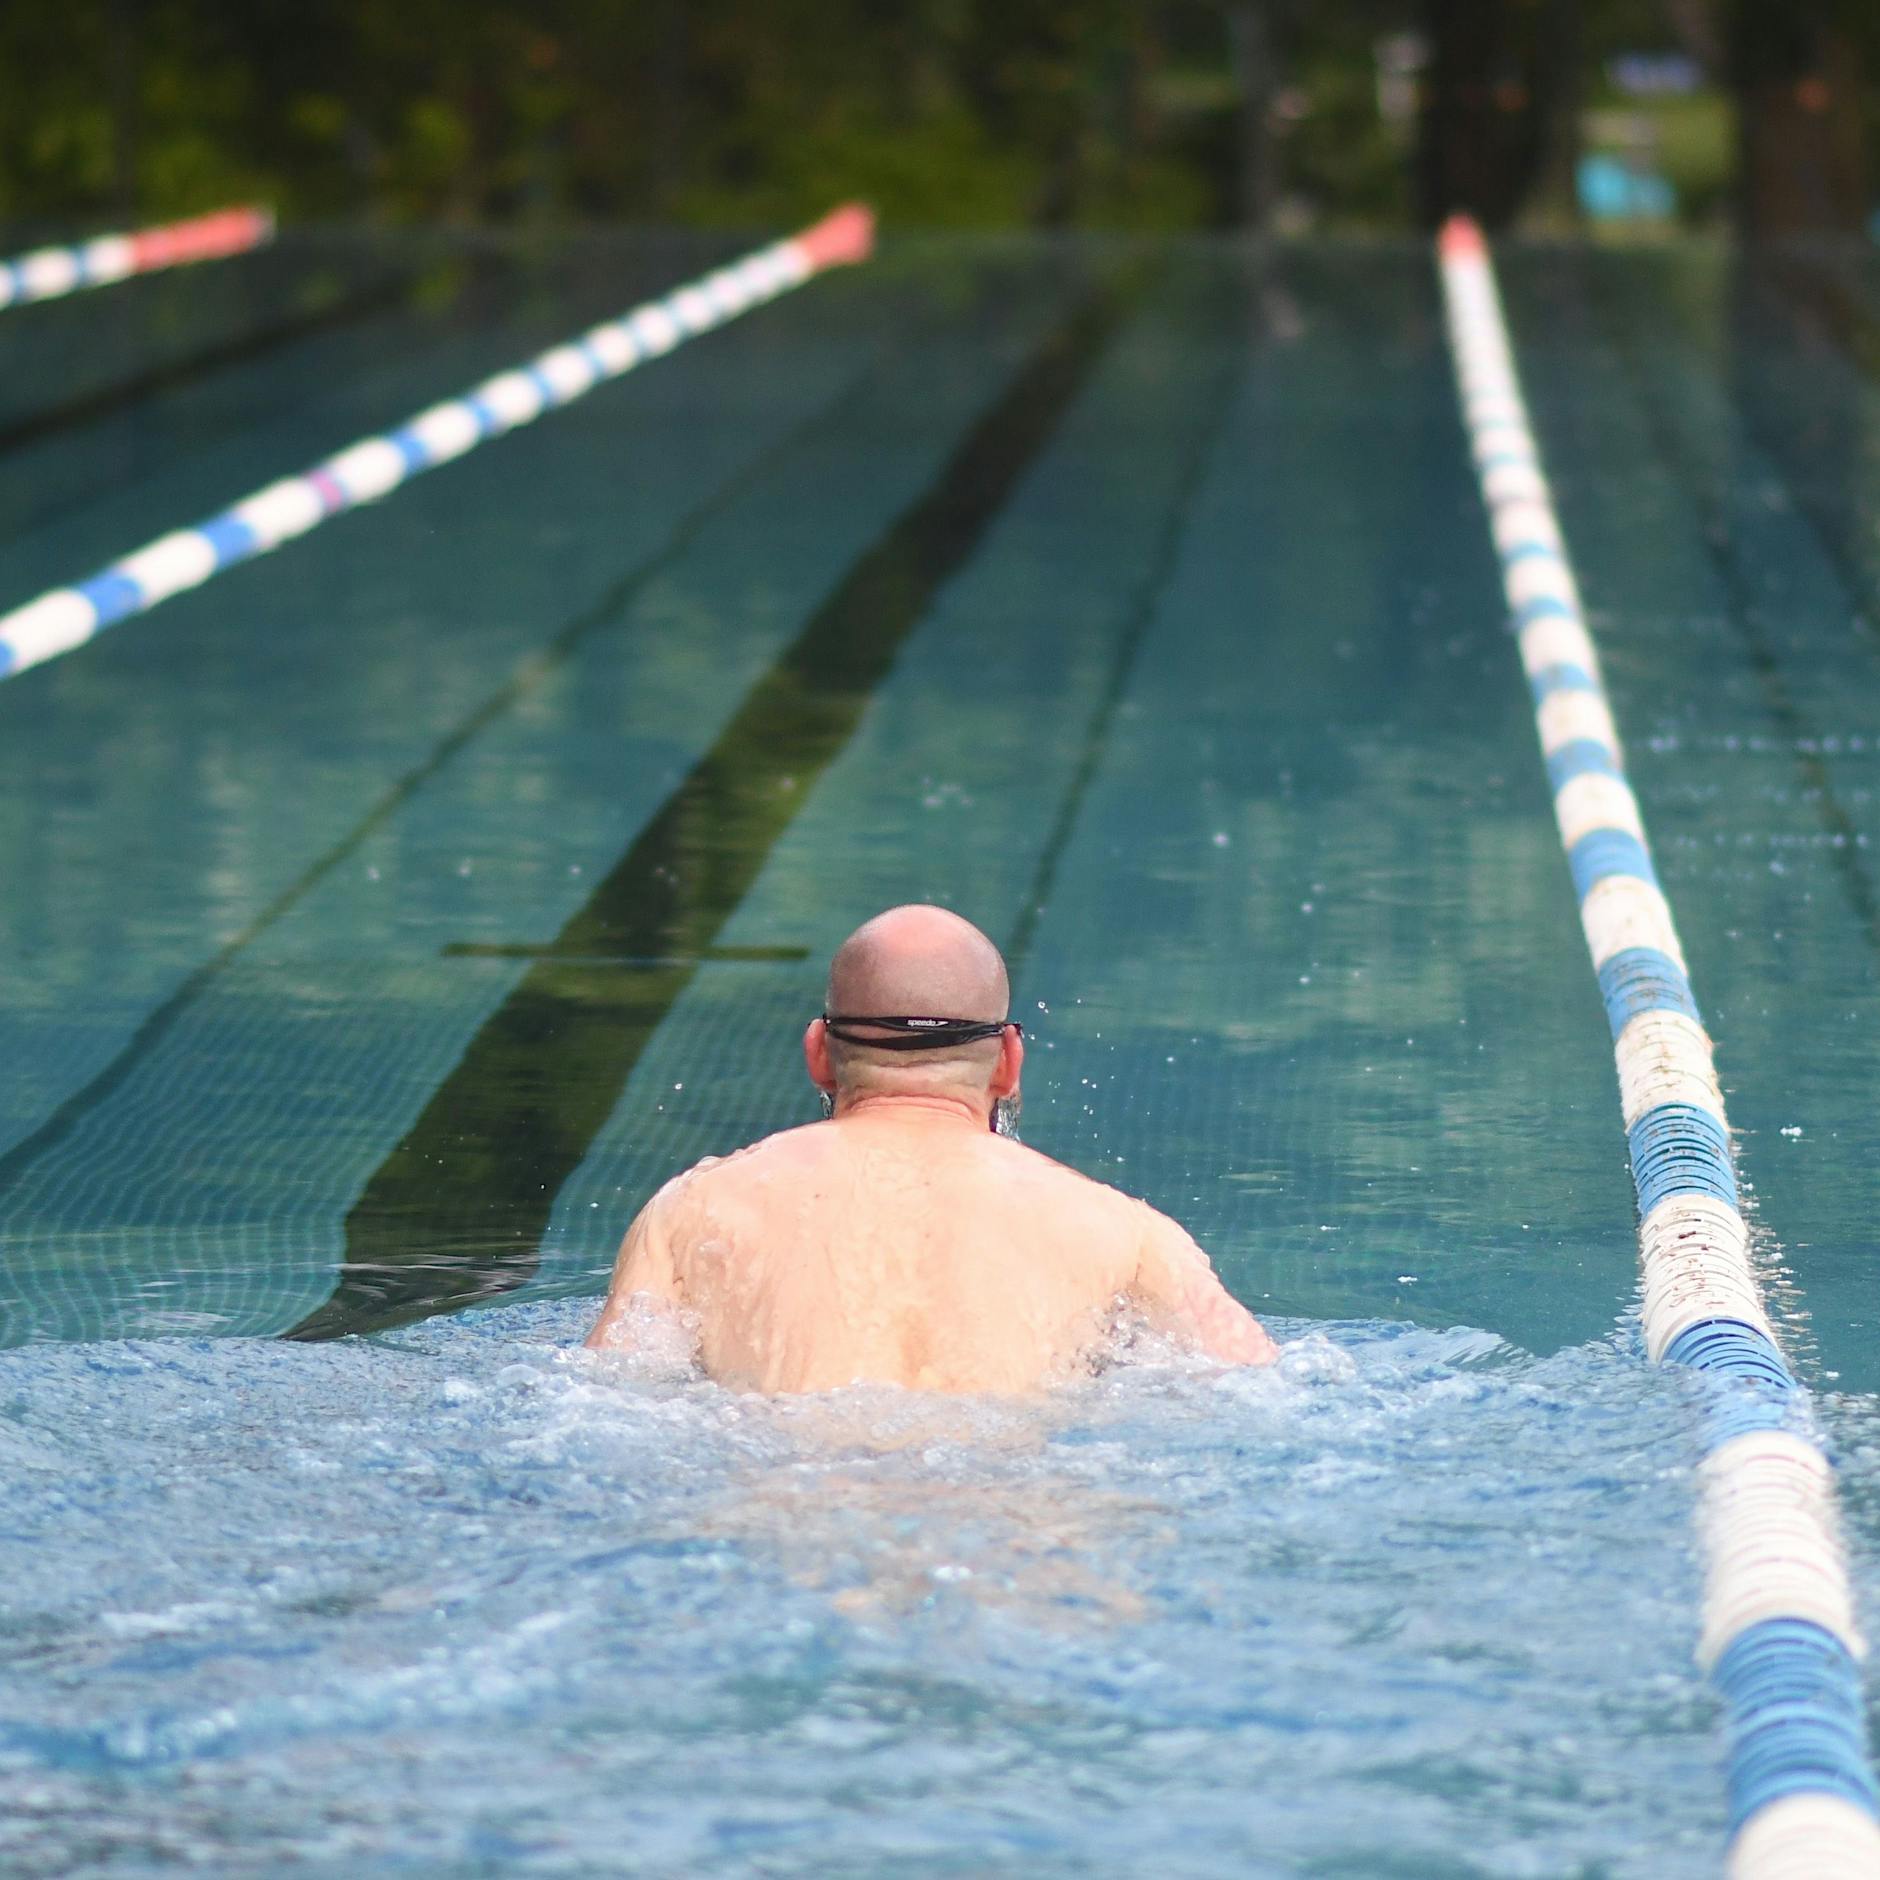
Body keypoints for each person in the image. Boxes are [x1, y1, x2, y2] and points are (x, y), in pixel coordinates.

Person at [585, 904, 1276, 1391]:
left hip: (790, 1525)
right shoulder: (1125, 1233)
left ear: (819, 1055)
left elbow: (610, 1397)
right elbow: (1257, 1389)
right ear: (1008, 1062)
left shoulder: (693, 1211)